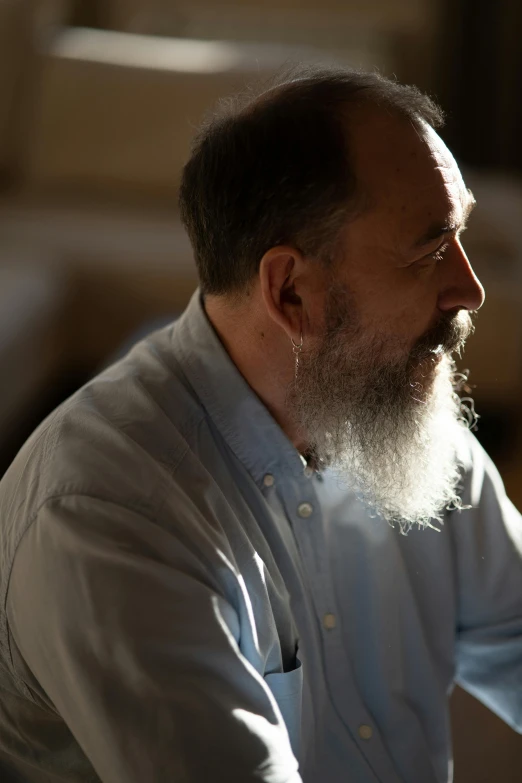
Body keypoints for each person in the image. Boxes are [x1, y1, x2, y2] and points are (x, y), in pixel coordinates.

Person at [0, 65, 521, 783]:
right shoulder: (110, 511)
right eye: (430, 249)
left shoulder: (413, 436)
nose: (471, 288)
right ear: (291, 291)